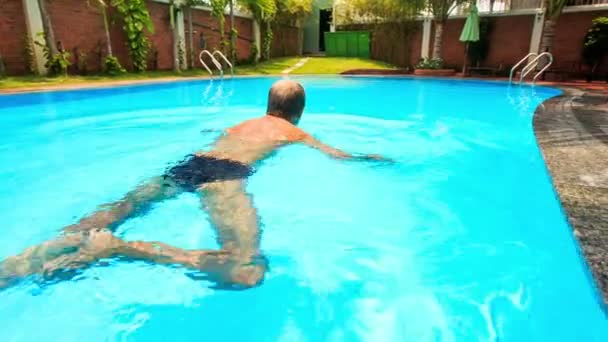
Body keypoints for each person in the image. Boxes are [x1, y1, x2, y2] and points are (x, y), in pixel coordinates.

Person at [0, 80, 387, 290]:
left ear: (267, 104)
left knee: (118, 209)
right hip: (224, 177)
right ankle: (117, 248)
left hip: (191, 164)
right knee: (244, 268)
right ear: (298, 113)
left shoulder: (241, 124)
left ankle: (19, 263)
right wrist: (370, 158)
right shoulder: (291, 131)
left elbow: (212, 133)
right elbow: (336, 154)